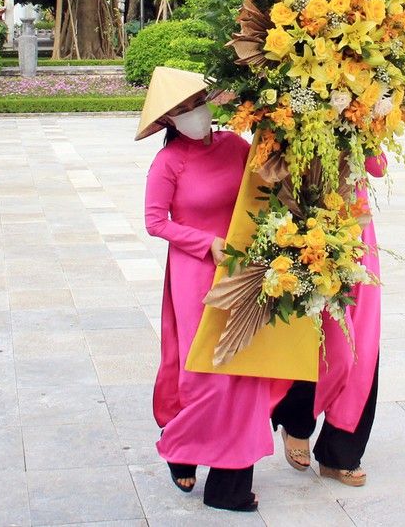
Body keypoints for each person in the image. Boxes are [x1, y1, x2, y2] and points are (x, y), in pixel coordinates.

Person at [140, 66, 270, 512]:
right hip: (194, 271)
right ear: (169, 122)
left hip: (241, 266)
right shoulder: (168, 162)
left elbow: (262, 185)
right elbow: (155, 222)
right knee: (202, 371)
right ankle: (182, 443)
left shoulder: (235, 146)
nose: (196, 114)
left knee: (242, 367)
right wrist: (204, 243)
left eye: (198, 103)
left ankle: (227, 466)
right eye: (183, 110)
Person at [269, 152, 386, 487]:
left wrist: (366, 126)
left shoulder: (361, 111)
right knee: (311, 327)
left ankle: (341, 452)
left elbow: (378, 168)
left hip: (356, 230)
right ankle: (296, 417)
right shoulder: (292, 109)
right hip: (303, 220)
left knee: (360, 340)